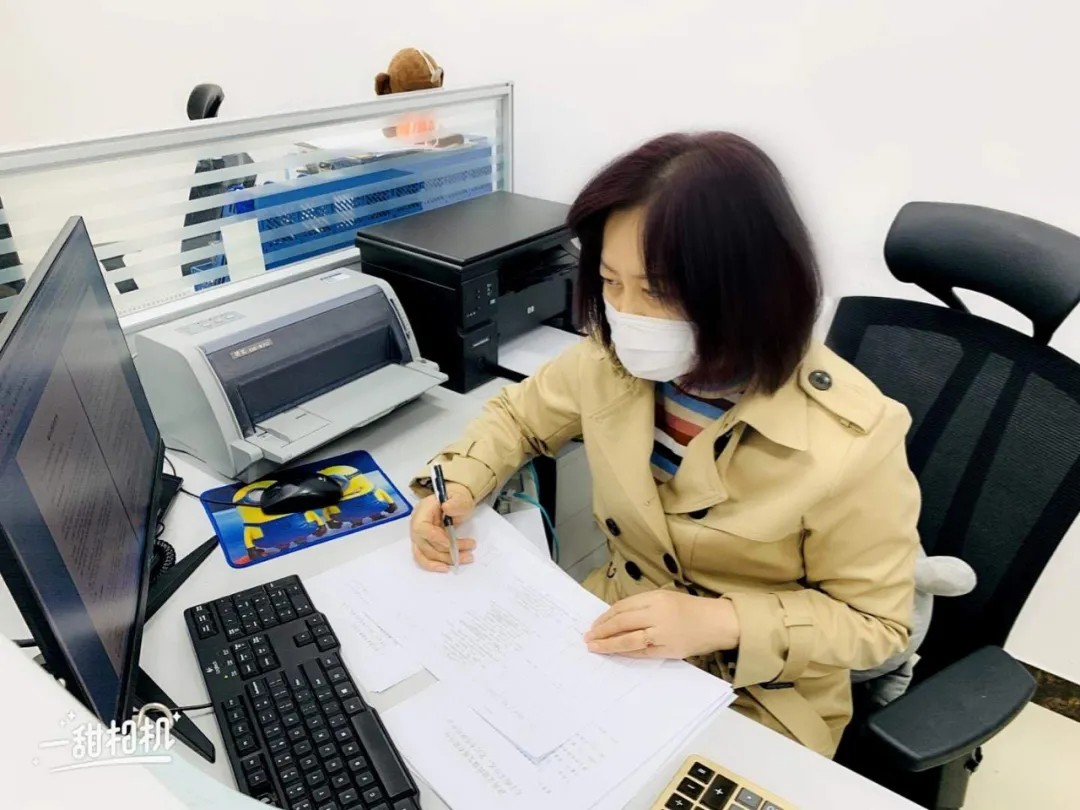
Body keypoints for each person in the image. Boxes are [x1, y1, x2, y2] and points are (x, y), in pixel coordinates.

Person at [408, 132, 920, 757]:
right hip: (610, 636)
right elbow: (518, 418)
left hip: (762, 692)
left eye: (657, 290)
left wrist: (722, 621)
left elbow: (876, 625)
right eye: (610, 281)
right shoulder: (609, 361)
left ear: (749, 289)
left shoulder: (854, 436)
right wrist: (460, 482)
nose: (627, 315)